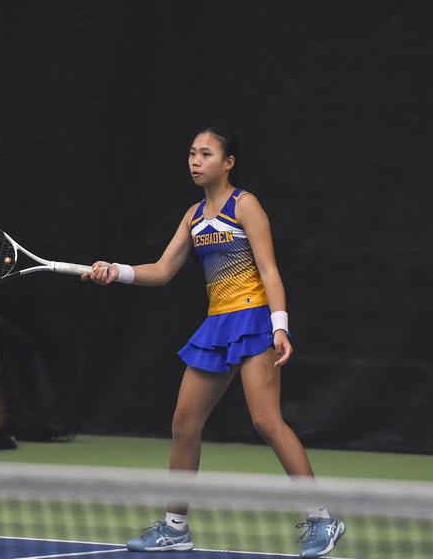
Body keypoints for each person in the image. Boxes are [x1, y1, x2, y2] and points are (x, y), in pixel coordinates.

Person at [83, 127, 344, 558]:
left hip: (254, 319)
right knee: (184, 424)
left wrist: (280, 325)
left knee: (266, 421)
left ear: (228, 163)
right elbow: (164, 269)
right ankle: (174, 529)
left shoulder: (246, 205)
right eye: (191, 153)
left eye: (206, 154)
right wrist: (118, 270)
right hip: (216, 324)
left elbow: (270, 270)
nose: (195, 161)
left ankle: (323, 518)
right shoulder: (192, 216)